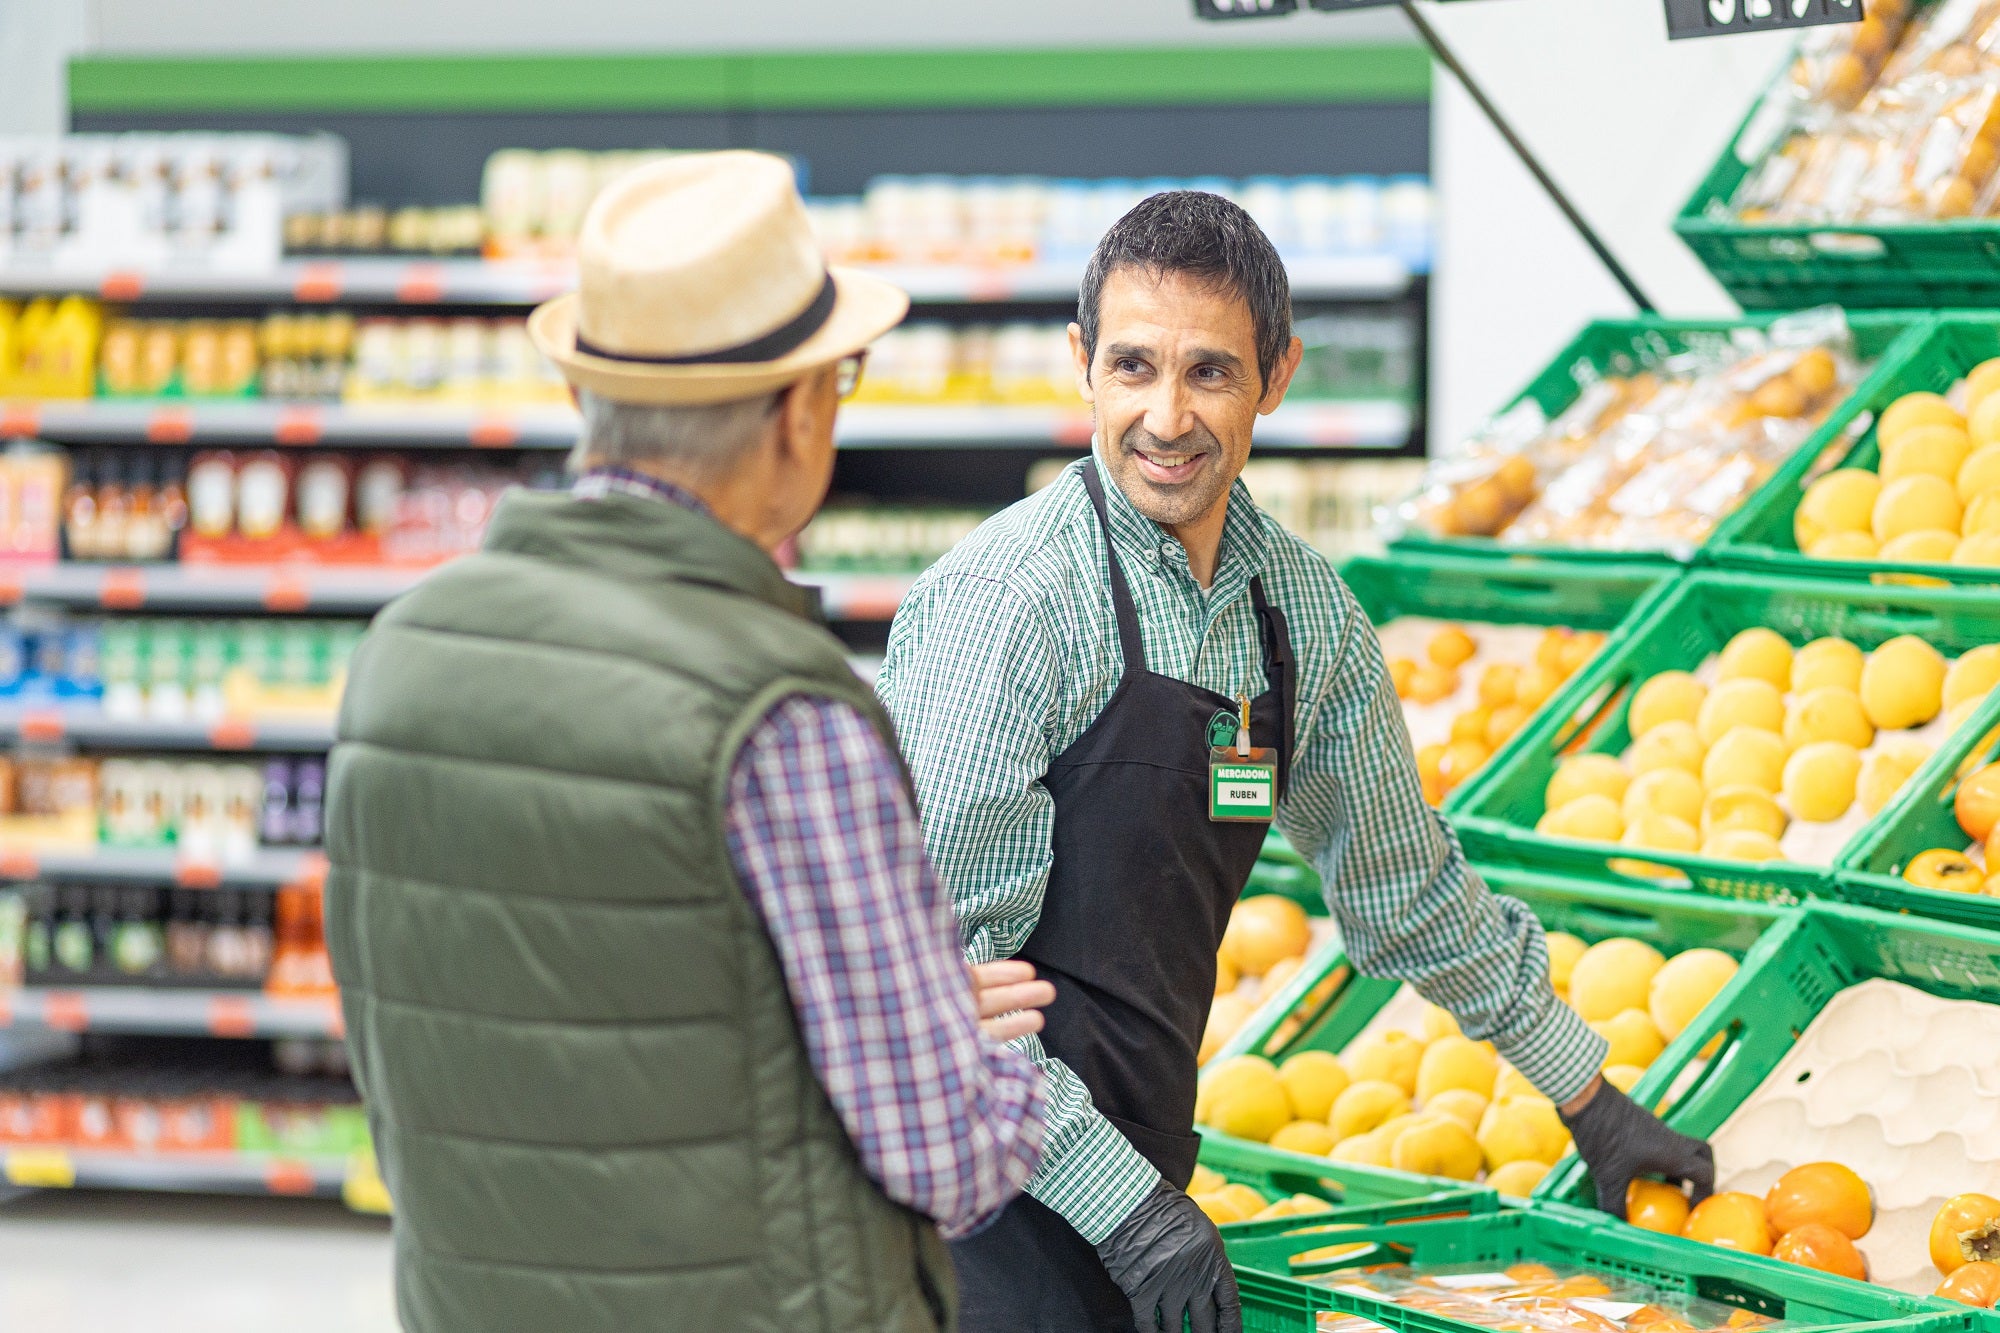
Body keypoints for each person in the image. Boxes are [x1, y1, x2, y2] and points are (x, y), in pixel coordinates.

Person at [875, 190, 1714, 1333]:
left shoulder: (1299, 617)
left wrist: (1587, 1094)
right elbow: (938, 996)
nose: (1164, 415)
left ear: (1276, 376)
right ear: (1080, 366)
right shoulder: (1013, 604)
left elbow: (1405, 886)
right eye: (1131, 367)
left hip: (1135, 1168)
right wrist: (1129, 1210)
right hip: (957, 1200)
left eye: (1208, 373)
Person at [324, 151, 1051, 1333]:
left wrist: (862, 1011)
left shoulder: (402, 654)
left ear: (584, 400)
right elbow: (951, 1159)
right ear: (801, 410)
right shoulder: (780, 712)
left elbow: (556, 1026)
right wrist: (958, 1043)